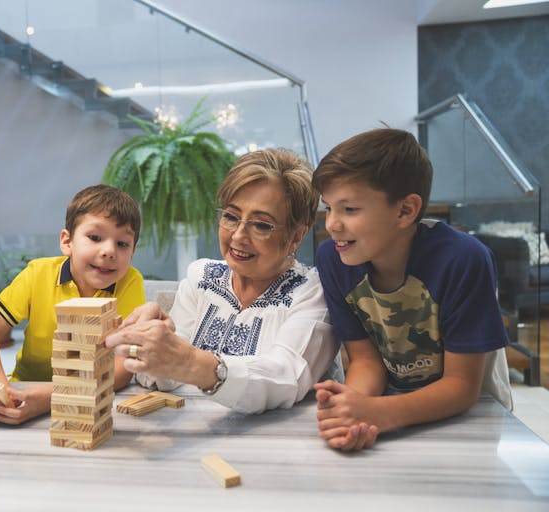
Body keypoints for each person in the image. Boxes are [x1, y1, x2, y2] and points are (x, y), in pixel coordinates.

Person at [312, 128, 512, 451]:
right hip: (395, 412)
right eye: (328, 208)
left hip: (470, 418)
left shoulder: (464, 260)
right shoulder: (334, 260)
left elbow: (462, 386)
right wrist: (353, 413)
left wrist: (378, 413)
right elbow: (366, 361)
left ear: (405, 211)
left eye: (349, 209)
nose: (332, 224)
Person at [105, 148, 341, 414]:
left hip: (285, 446)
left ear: (296, 236)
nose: (239, 236)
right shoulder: (202, 278)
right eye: (231, 216)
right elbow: (164, 380)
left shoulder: (313, 293)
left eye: (261, 225)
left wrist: (191, 363)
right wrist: (153, 342)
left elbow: (286, 378)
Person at [0, 184, 145, 425]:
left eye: (122, 244)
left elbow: (124, 366)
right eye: (95, 237)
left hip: (93, 399)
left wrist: (55, 396)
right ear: (67, 241)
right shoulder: (38, 273)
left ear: (133, 251)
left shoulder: (130, 282)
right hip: (23, 392)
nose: (109, 251)